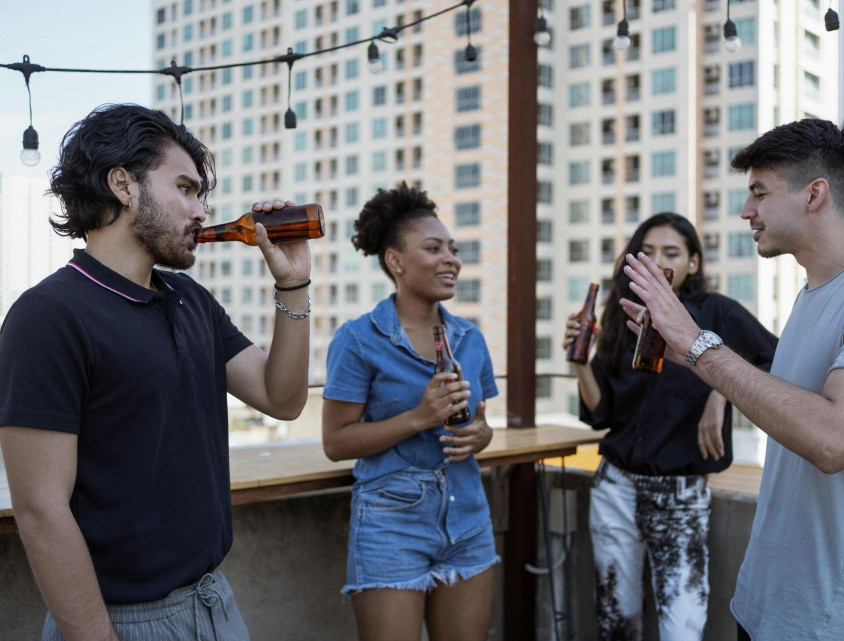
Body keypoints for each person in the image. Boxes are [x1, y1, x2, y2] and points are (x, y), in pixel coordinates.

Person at [620, 120, 844, 641]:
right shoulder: (811, 294)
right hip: (768, 600)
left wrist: (698, 341)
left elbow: (834, 438)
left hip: (831, 618)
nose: (746, 211)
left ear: (815, 194)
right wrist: (683, 350)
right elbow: (780, 401)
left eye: (759, 193)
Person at [0, 104, 312, 641]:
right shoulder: (48, 314)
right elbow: (40, 511)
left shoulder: (191, 299)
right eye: (186, 190)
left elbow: (281, 398)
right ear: (123, 184)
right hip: (118, 621)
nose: (201, 210)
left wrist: (294, 283)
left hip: (214, 602)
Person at [564, 213, 776, 641]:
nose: (659, 262)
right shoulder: (622, 316)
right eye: (648, 253)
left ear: (694, 263)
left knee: (683, 627)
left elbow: (772, 360)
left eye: (672, 253)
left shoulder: (716, 312)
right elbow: (602, 412)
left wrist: (722, 394)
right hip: (615, 487)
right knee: (614, 622)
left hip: (679, 493)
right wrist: (578, 364)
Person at [322, 182, 500, 641]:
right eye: (434, 248)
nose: (451, 259)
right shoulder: (358, 339)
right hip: (389, 524)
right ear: (395, 261)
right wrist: (419, 418)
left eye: (453, 249)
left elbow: (480, 425)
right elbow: (336, 442)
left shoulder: (469, 339)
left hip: (468, 518)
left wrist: (481, 436)